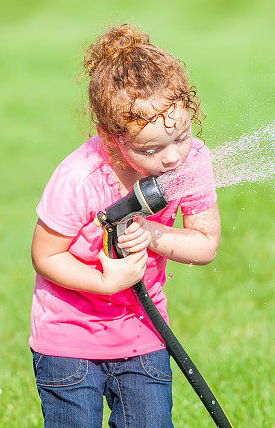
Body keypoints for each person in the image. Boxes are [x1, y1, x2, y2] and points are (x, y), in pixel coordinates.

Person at [29, 24, 221, 427]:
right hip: (69, 340)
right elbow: (45, 255)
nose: (171, 158)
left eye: (181, 137)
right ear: (110, 137)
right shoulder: (80, 177)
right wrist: (105, 282)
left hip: (143, 334)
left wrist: (153, 235)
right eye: (151, 149)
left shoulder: (192, 163)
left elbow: (206, 244)